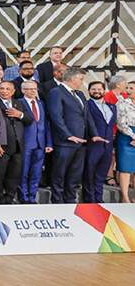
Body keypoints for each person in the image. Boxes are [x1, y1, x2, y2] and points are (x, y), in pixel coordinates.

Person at [48, 67, 102, 204]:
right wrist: (68, 135)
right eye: (81, 79)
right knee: (59, 174)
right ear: (72, 78)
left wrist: (94, 134)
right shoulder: (56, 92)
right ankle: (57, 202)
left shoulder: (80, 94)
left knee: (74, 174)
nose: (82, 82)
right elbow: (56, 117)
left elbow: (87, 116)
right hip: (65, 142)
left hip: (81, 141)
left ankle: (70, 200)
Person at [0, 81, 32, 204]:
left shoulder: (18, 103)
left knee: (14, 175)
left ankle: (9, 198)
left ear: (13, 91)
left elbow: (30, 119)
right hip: (2, 146)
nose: (4, 91)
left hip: (18, 146)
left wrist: (19, 115)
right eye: (2, 88)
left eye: (7, 89)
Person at [19, 80, 52, 203]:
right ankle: (24, 197)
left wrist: (49, 143)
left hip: (41, 143)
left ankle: (32, 197)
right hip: (26, 143)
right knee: (24, 172)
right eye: (29, 89)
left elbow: (46, 124)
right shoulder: (19, 103)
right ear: (23, 90)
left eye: (34, 89)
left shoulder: (41, 103)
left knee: (36, 172)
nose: (32, 91)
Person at [83, 81, 116, 203]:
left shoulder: (112, 106)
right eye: (93, 89)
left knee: (101, 173)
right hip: (93, 144)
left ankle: (98, 198)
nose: (96, 91)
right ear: (89, 91)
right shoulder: (86, 104)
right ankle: (89, 199)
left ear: (104, 91)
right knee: (89, 172)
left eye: (99, 89)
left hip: (107, 144)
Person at [115, 81, 135, 203]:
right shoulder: (122, 102)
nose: (128, 90)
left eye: (132, 88)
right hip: (126, 136)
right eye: (127, 87)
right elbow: (120, 123)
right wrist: (133, 136)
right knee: (125, 168)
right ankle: (125, 196)